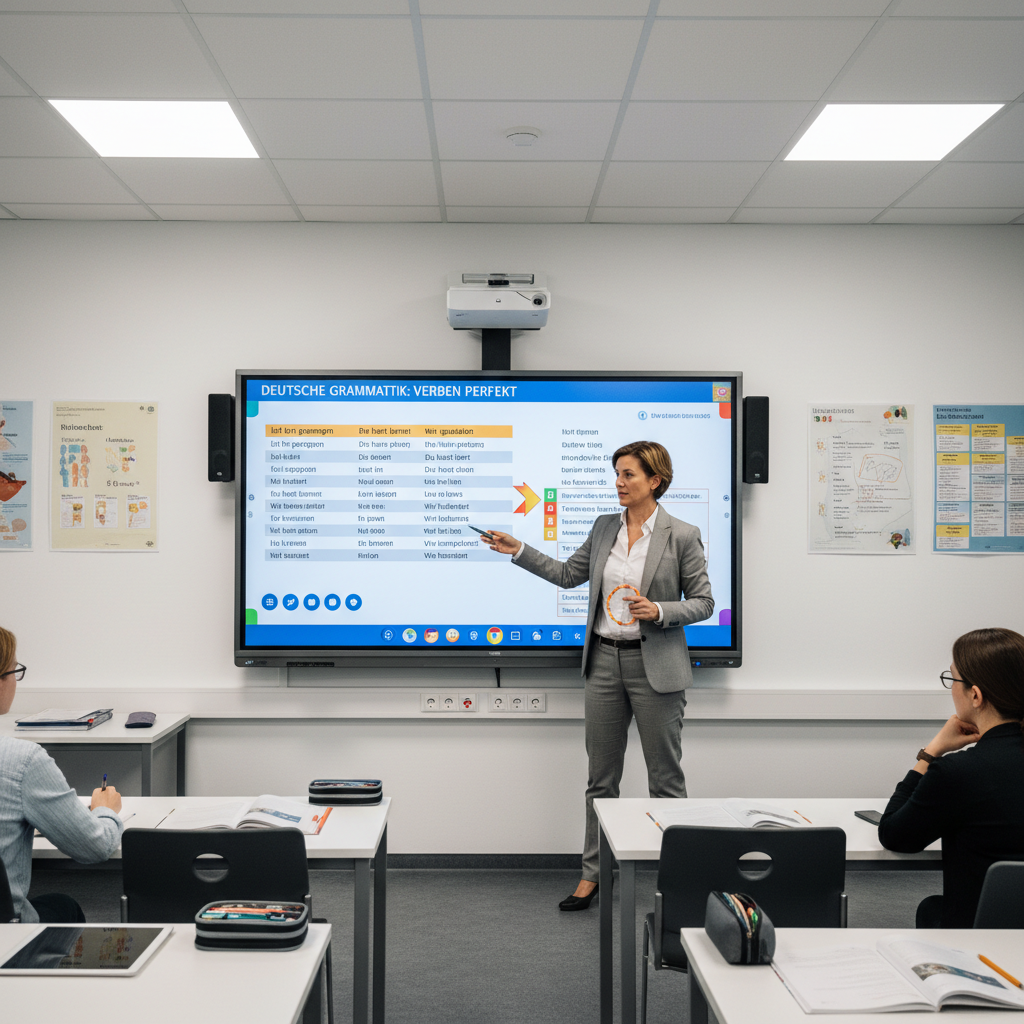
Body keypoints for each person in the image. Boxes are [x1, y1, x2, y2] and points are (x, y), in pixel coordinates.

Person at [483, 441, 714, 910]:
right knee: (600, 781)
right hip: (605, 663)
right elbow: (569, 574)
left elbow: (704, 602)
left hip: (656, 668)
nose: (619, 483)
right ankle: (593, 874)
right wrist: (519, 549)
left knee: (666, 780)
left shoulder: (682, 535)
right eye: (617, 474)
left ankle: (678, 880)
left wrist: (660, 610)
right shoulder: (604, 526)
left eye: (628, 474)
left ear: (655, 481)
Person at [879, 627, 1024, 928]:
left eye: (953, 679)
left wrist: (931, 752)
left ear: (975, 695)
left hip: (979, 938)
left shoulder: (960, 771)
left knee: (931, 909)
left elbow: (894, 835)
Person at [0, 625, 124, 923]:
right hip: (6, 936)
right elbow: (93, 847)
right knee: (63, 906)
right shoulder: (20, 761)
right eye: (14, 671)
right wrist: (105, 811)